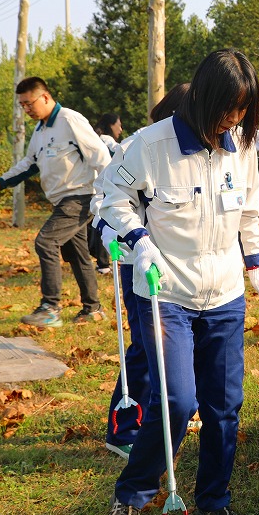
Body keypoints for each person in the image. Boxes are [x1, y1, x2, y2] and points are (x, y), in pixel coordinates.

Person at [99, 53, 259, 515]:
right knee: (178, 400)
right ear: (202, 97)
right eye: (228, 108)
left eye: (243, 110)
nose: (234, 120)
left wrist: (256, 267)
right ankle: (133, 493)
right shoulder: (149, 145)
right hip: (165, 292)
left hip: (224, 294)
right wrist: (139, 242)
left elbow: (248, 212)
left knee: (225, 404)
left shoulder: (241, 145)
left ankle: (214, 498)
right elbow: (111, 198)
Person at [96, 85, 189, 459]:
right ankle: (124, 427)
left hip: (179, 267)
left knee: (175, 346)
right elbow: (105, 196)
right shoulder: (137, 145)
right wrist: (111, 231)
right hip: (139, 265)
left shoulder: (194, 148)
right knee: (147, 346)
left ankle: (167, 413)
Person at [0, 76, 110, 327]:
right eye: (22, 105)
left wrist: (108, 194)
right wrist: (2, 181)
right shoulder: (40, 130)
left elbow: (101, 157)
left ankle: (50, 307)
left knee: (46, 242)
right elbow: (30, 163)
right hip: (61, 200)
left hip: (80, 196)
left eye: (29, 103)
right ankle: (93, 309)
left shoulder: (70, 120)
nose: (26, 109)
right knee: (77, 255)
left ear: (45, 97)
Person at [90, 113, 124, 273]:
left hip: (90, 187)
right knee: (103, 222)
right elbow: (121, 152)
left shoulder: (95, 138)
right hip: (101, 188)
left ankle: (99, 259)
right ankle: (103, 263)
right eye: (119, 124)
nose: (121, 129)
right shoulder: (106, 140)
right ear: (111, 125)